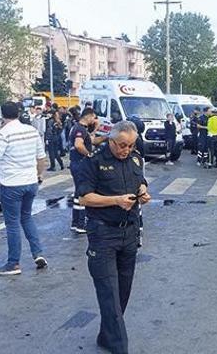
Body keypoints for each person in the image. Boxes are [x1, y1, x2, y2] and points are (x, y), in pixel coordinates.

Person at [75, 121, 151, 354]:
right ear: (111, 140)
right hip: (103, 233)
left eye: (130, 145)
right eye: (121, 145)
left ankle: (106, 336)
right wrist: (116, 200)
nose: (125, 150)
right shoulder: (93, 161)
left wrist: (143, 192)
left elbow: (140, 181)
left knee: (122, 292)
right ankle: (120, 347)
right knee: (109, 291)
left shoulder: (136, 159)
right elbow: (85, 198)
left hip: (129, 232)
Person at [0, 102, 48, 275]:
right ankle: (38, 254)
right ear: (19, 113)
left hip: (12, 185)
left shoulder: (3, 134)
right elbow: (41, 157)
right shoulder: (31, 131)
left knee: (12, 224)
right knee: (27, 218)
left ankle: (13, 264)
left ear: (2, 115)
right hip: (30, 183)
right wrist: (38, 175)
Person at [69, 108, 106, 233]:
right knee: (83, 193)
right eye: (94, 117)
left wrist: (106, 136)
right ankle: (81, 224)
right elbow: (79, 144)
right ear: (88, 116)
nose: (95, 120)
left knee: (78, 193)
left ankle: (75, 222)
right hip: (80, 164)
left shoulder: (81, 128)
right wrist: (88, 154)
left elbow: (92, 141)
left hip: (76, 164)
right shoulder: (80, 129)